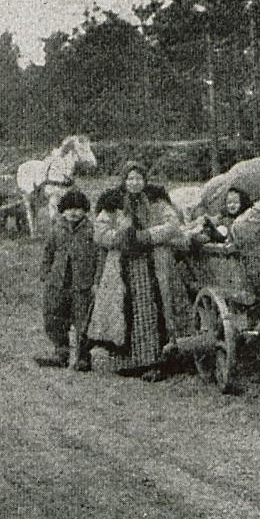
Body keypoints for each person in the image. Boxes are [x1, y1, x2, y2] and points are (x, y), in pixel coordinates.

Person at [87, 161, 184, 381]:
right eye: (130, 179)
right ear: (124, 181)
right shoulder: (112, 204)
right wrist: (120, 238)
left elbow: (172, 224)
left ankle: (155, 361)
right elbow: (100, 232)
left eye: (138, 178)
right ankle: (128, 363)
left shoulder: (157, 201)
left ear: (144, 181)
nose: (134, 183)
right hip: (123, 267)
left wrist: (148, 235)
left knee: (151, 312)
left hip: (153, 265)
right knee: (124, 312)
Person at [34, 188, 97, 372]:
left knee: (83, 320)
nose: (74, 212)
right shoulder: (57, 228)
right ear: (63, 210)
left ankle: (83, 357)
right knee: (55, 317)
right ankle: (60, 354)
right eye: (69, 208)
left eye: (78, 208)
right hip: (58, 282)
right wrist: (46, 273)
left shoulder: (91, 230)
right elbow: (48, 252)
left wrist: (96, 280)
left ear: (85, 210)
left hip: (82, 283)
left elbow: (99, 256)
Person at [186, 186, 252, 245]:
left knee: (220, 229)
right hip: (214, 231)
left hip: (223, 236)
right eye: (229, 202)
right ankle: (192, 233)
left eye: (236, 202)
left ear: (242, 203)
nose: (232, 205)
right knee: (204, 223)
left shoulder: (241, 217)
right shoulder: (224, 214)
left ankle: (202, 234)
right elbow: (215, 219)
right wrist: (207, 219)